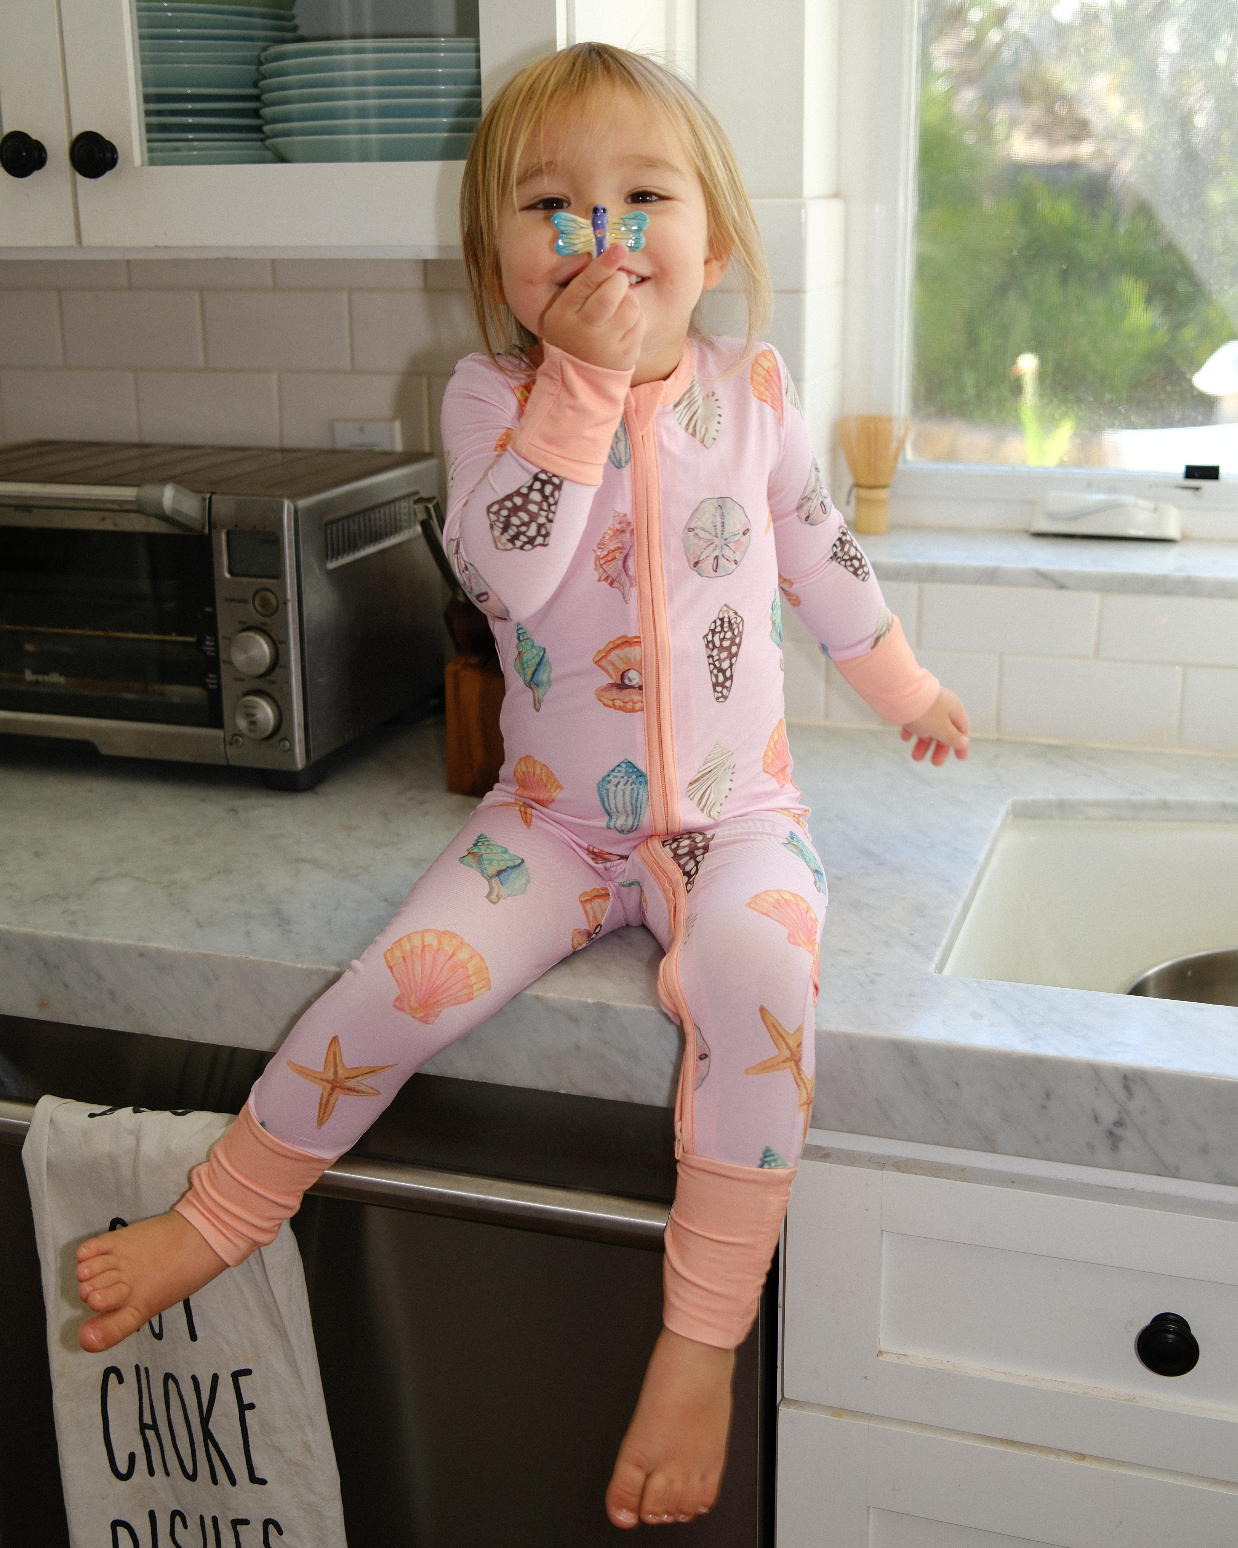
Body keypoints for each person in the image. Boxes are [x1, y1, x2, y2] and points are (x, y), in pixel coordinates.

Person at [74, 42, 969, 1530]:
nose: (600, 231)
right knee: (397, 984)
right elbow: (504, 569)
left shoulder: (752, 389)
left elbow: (821, 553)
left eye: (642, 196)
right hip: (550, 829)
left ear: (714, 244)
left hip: (743, 819)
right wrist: (582, 389)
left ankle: (702, 1342)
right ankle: (226, 1210)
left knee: (759, 979)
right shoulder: (490, 398)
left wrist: (907, 687)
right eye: (552, 205)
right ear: (499, 263)